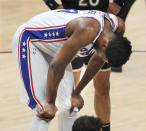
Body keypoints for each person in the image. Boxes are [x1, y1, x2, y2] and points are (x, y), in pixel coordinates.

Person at [12, 9, 132, 131]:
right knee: (45, 111)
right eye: (105, 58)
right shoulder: (87, 30)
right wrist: (50, 102)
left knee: (69, 106)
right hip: (31, 40)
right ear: (105, 44)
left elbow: (97, 60)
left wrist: (76, 93)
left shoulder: (118, 28)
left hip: (56, 52)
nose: (103, 60)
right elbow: (57, 66)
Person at [43, 0, 135, 130]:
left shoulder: (112, 29)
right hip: (73, 30)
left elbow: (100, 58)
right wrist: (52, 4)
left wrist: (118, 3)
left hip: (99, 27)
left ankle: (105, 128)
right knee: (67, 94)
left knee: (103, 87)